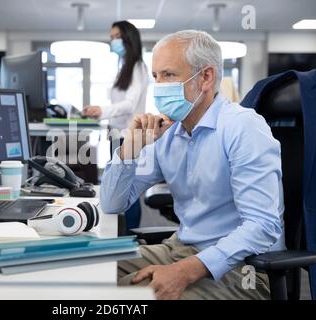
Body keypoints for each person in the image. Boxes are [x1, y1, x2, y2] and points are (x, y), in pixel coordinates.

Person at [100, 30, 286, 300]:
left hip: (244, 269)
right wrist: (130, 148)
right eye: (155, 76)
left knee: (131, 297)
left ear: (206, 77)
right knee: (86, 270)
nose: (159, 86)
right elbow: (112, 204)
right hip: (179, 248)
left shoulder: (243, 127)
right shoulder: (168, 133)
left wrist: (186, 271)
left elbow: (263, 226)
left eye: (169, 75)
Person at [83, 20, 148, 232]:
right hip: (117, 133)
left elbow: (129, 104)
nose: (112, 41)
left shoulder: (137, 66)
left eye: (115, 37)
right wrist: (102, 114)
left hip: (128, 135)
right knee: (118, 184)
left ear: (127, 38)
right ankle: (122, 230)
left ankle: (130, 233)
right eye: (111, 37)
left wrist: (102, 111)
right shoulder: (124, 66)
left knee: (127, 186)